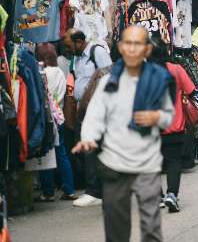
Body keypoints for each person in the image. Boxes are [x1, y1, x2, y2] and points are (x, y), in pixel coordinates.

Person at [73, 25, 175, 242]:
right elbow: (95, 114)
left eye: (137, 44)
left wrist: (156, 117)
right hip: (114, 163)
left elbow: (168, 116)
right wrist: (89, 138)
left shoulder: (158, 78)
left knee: (151, 228)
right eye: (127, 43)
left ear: (147, 49)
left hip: (147, 162)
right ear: (120, 47)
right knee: (116, 229)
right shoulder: (108, 81)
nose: (131, 49)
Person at [63, 28, 112, 208]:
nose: (68, 50)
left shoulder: (96, 52)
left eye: (69, 46)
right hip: (83, 109)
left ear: (79, 42)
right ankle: (98, 189)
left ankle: (95, 191)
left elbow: (109, 75)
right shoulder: (77, 58)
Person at [149, 37, 196, 213]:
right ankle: (172, 195)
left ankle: (158, 196)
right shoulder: (176, 69)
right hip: (174, 125)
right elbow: (191, 90)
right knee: (173, 161)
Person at [35, 43, 77, 202]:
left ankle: (48, 191)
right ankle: (69, 189)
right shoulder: (59, 71)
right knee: (62, 154)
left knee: (45, 154)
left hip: (47, 117)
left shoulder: (43, 72)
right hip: (59, 115)